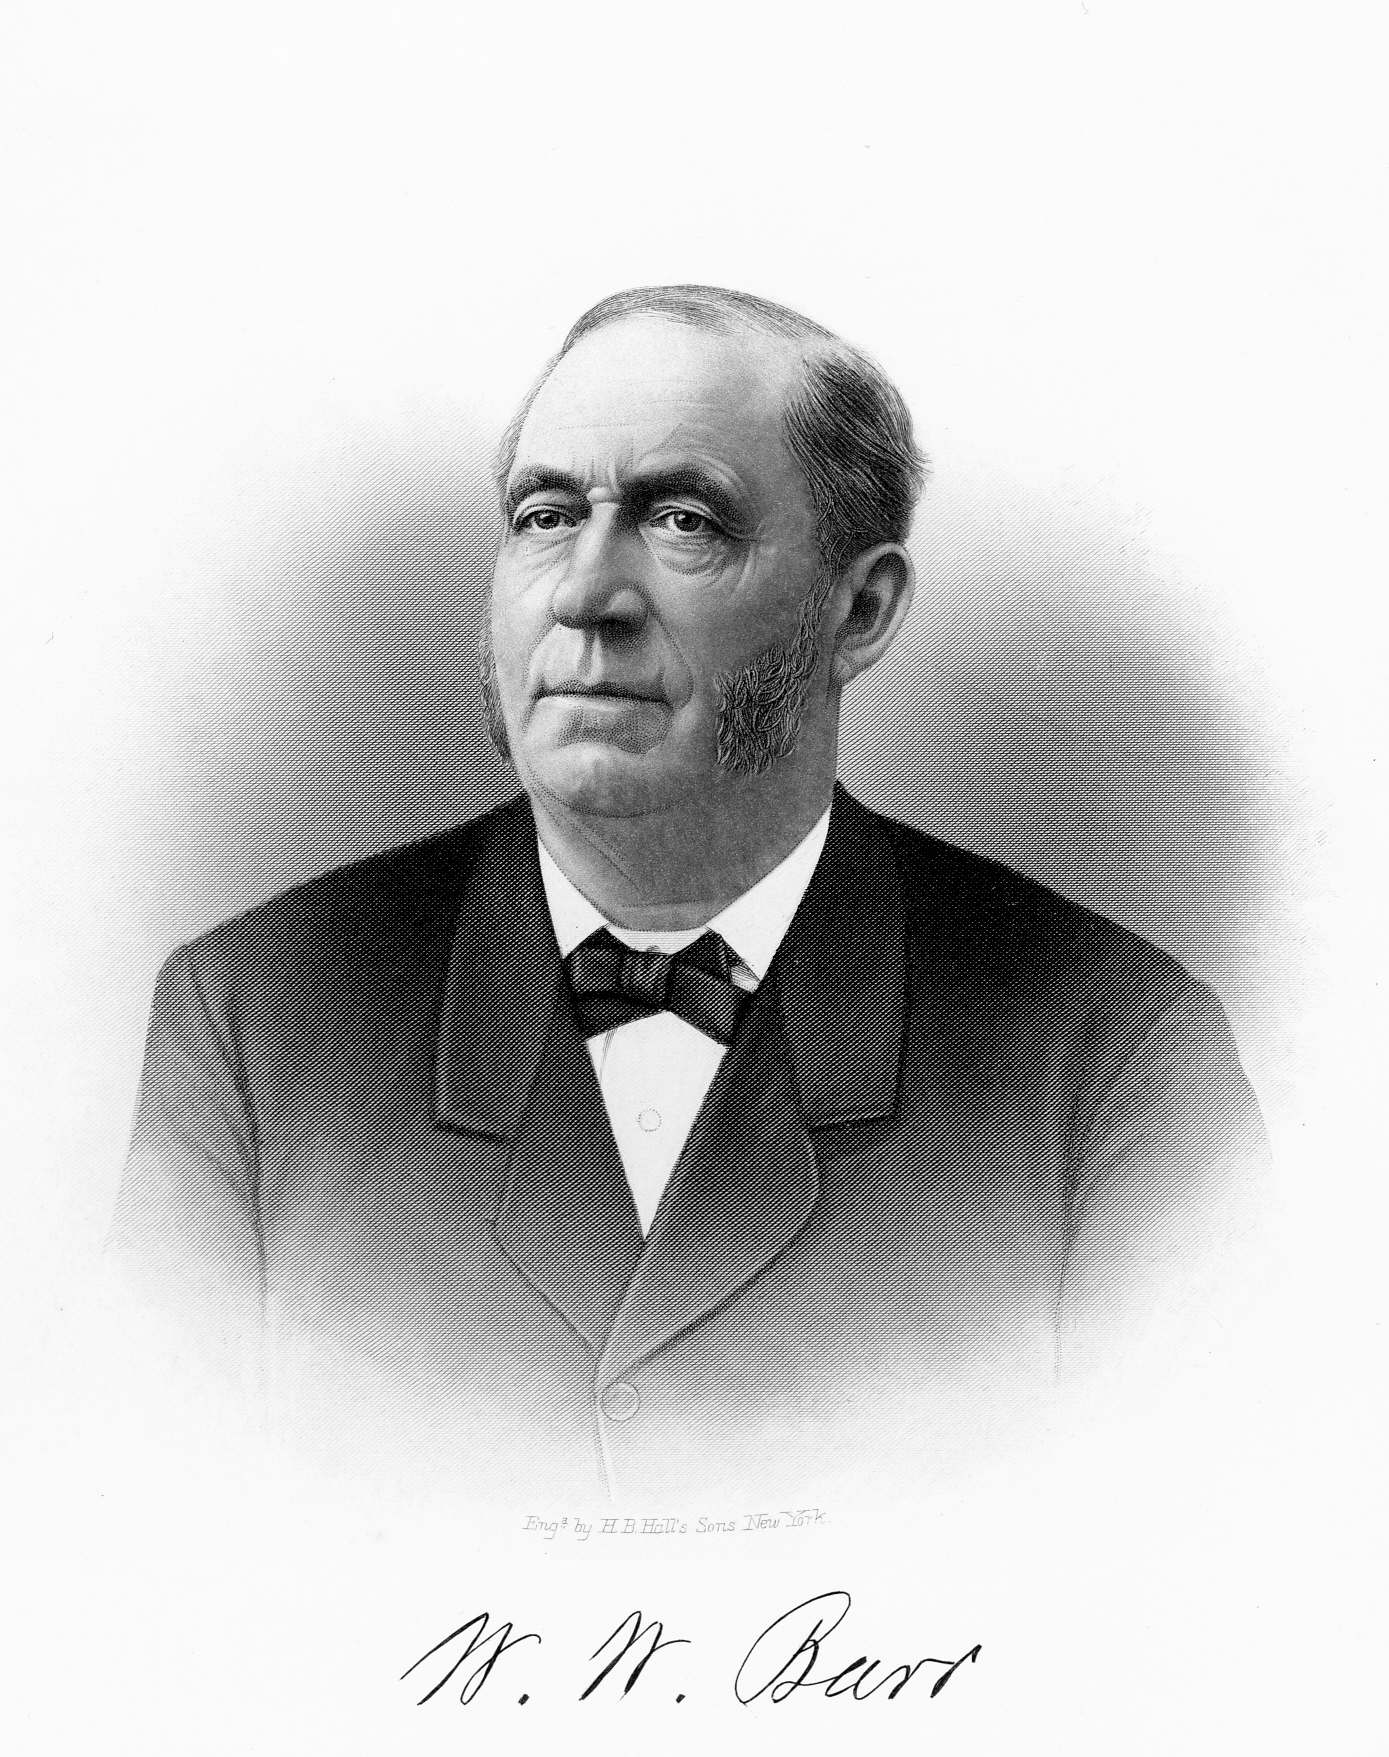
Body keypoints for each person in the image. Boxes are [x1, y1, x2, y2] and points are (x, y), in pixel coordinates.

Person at [111, 285, 1268, 1502]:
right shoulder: (247, 1020)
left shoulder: (1118, 1053)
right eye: (546, 515)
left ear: (860, 609)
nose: (585, 594)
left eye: (683, 520)